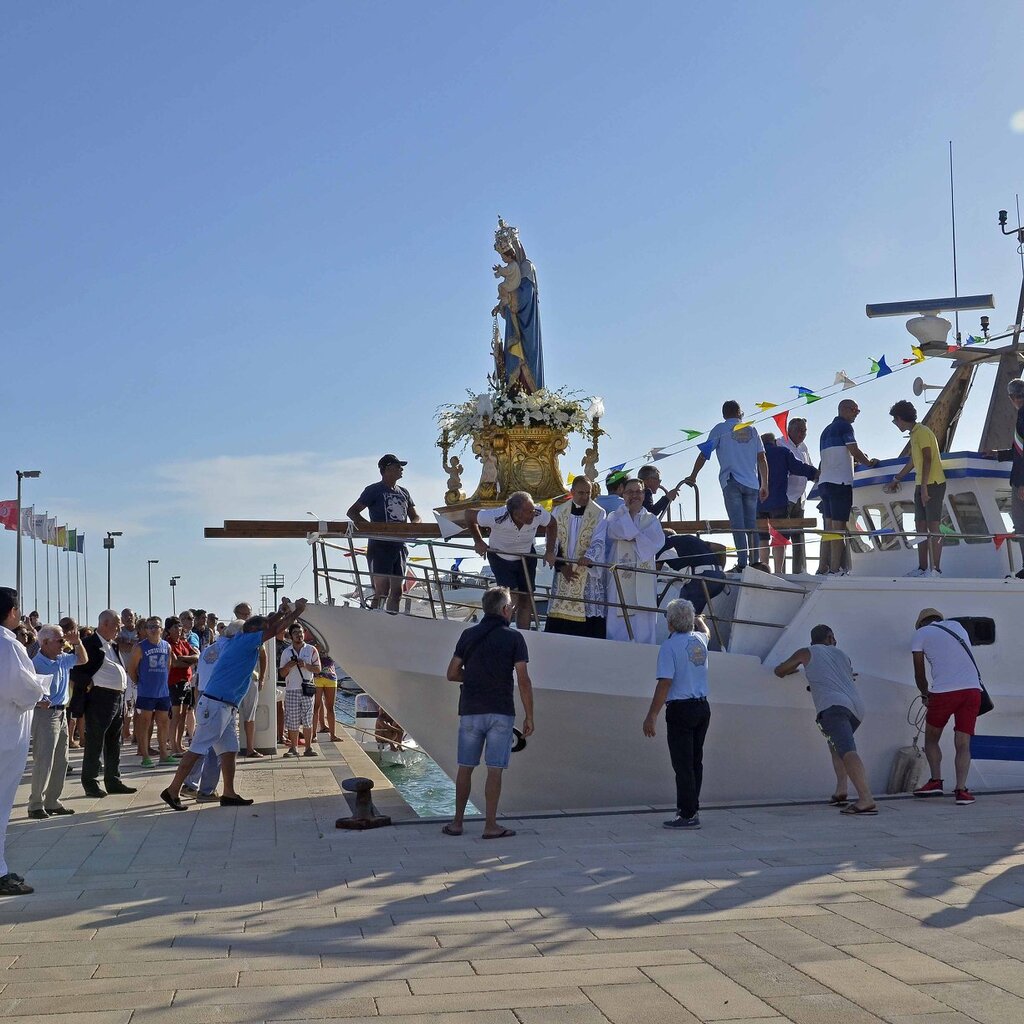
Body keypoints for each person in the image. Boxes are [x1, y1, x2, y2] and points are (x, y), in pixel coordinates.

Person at [160, 599, 309, 810]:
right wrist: (297, 612)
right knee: (197, 749)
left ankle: (228, 793)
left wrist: (280, 612)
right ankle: (173, 790)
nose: (264, 633)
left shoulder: (237, 639)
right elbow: (274, 628)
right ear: (252, 632)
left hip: (225, 706)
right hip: (216, 705)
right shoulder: (246, 640)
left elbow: (268, 624)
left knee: (229, 749)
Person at [443, 587, 534, 839]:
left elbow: (452, 673)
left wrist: (475, 677)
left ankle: (457, 823)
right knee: (495, 769)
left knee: (465, 767)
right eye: (511, 607)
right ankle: (490, 825)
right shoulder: (514, 638)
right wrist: (529, 715)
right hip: (501, 711)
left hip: (471, 709)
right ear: (505, 609)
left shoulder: (468, 634)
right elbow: (523, 680)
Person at [773, 624, 876, 814]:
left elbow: (780, 671)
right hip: (857, 709)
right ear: (829, 638)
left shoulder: (806, 652)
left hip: (833, 707)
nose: (835, 641)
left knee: (847, 750)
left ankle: (866, 799)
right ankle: (841, 790)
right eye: (833, 638)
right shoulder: (843, 656)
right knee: (836, 746)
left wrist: (793, 668)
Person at [641, 600, 711, 830]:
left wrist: (652, 715)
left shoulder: (669, 647)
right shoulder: (700, 640)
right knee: (695, 762)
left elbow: (665, 683)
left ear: (670, 623)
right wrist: (699, 621)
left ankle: (687, 813)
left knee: (682, 765)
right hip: (702, 707)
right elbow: (707, 632)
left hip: (681, 709)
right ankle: (692, 808)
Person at [684, 401, 769, 572]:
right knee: (751, 525)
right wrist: (765, 484)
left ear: (724, 414)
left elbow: (704, 454)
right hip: (752, 483)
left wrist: (693, 476)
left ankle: (743, 564)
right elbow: (762, 458)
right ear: (740, 412)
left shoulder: (720, 429)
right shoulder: (752, 430)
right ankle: (755, 562)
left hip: (732, 480)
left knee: (738, 525)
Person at [0, 588, 46, 895]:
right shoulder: (7, 644)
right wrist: (40, 691)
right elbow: (22, 689)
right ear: (12, 612)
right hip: (6, 733)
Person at [910, 607, 981, 805]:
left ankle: (935, 781)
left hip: (944, 693)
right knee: (963, 743)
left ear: (921, 624)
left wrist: (925, 694)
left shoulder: (920, 634)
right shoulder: (957, 627)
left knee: (932, 739)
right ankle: (961, 791)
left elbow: (919, 673)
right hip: (972, 691)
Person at [347, 454, 420, 614]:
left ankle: (392, 619)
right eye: (398, 466)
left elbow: (415, 516)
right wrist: (371, 528)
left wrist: (413, 525)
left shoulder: (404, 492)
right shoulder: (373, 490)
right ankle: (375, 618)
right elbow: (352, 512)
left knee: (397, 592)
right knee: (382, 590)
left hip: (399, 546)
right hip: (380, 546)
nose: (401, 469)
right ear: (387, 469)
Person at [468, 491, 551, 630]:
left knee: (526, 598)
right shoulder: (497, 515)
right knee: (511, 598)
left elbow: (552, 524)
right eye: (529, 512)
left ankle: (523, 633)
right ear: (517, 514)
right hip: (501, 557)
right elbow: (468, 515)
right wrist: (478, 541)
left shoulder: (538, 512)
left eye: (533, 510)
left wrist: (550, 550)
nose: (533, 514)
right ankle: (498, 629)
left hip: (526, 557)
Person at [28, 623, 86, 819]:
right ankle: (36, 804)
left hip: (61, 712)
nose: (64, 643)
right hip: (45, 714)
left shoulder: (62, 659)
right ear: (45, 642)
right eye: (60, 640)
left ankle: (52, 801)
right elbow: (25, 688)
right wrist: (37, 701)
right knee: (44, 760)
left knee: (62, 760)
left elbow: (82, 659)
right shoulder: (35, 664)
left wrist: (77, 643)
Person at [884, 400, 947, 577]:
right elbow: (914, 461)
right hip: (921, 483)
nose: (895, 424)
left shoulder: (923, 432)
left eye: (894, 420)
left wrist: (925, 488)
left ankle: (936, 570)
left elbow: (927, 459)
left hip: (933, 483)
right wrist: (897, 478)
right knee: (920, 525)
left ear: (899, 418)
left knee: (933, 526)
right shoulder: (914, 434)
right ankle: (922, 568)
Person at [78, 610, 137, 799]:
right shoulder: (89, 643)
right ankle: (90, 783)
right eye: (117, 624)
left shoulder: (112, 645)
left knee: (114, 741)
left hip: (116, 697)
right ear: (104, 623)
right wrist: (86, 682)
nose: (120, 628)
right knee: (95, 741)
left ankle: (113, 780)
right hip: (99, 698)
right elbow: (74, 668)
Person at [817, 399, 879, 575]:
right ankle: (835, 569)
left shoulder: (825, 430)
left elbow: (837, 454)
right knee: (838, 527)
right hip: (840, 483)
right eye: (854, 410)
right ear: (843, 409)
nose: (856, 414)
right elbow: (853, 449)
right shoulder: (845, 427)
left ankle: (822, 567)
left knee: (828, 527)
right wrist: (868, 462)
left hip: (825, 482)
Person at [542, 477, 608, 638]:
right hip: (563, 572)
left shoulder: (599, 513)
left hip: (586, 572)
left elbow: (599, 540)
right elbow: (552, 538)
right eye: (581, 493)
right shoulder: (559, 511)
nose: (585, 497)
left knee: (589, 616)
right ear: (572, 492)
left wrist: (589, 556)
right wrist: (562, 566)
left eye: (588, 493)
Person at [605, 479, 665, 643]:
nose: (634, 496)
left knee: (643, 619)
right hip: (619, 580)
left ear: (644, 495)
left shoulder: (651, 519)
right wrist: (640, 536)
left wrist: (632, 537)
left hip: (644, 579)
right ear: (623, 494)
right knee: (619, 614)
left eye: (638, 492)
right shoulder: (615, 516)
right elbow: (615, 531)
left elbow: (655, 544)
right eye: (630, 492)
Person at [757, 432, 817, 573]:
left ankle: (763, 570)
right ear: (774, 442)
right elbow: (798, 467)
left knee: (763, 538)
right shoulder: (782, 452)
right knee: (779, 537)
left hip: (759, 503)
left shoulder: (755, 455)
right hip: (778, 501)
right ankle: (778, 571)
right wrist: (815, 473)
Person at [983, 376, 1024, 578]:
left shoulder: (1023, 416)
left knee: (1021, 523)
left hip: (1021, 480)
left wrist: (1023, 483)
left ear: (1012, 397)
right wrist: (998, 454)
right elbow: (1018, 451)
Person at [126, 617, 173, 768]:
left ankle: (164, 754)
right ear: (145, 630)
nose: (153, 629)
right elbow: (131, 669)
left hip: (163, 692)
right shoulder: (140, 647)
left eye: (156, 626)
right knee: (144, 723)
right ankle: (145, 756)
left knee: (163, 723)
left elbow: (168, 666)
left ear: (161, 629)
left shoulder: (166, 646)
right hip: (146, 692)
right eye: (150, 627)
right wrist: (139, 682)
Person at [279, 622, 320, 758]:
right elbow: (282, 673)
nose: (299, 635)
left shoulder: (311, 650)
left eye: (301, 632)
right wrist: (289, 666)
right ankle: (294, 748)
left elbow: (318, 669)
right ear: (291, 636)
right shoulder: (286, 652)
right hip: (291, 689)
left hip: (307, 689)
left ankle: (308, 748)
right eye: (295, 632)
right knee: (292, 720)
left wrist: (306, 665)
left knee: (307, 719)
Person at [657, 533, 725, 615]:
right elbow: (721, 548)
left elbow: (653, 574)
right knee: (691, 615)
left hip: (700, 580)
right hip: (720, 578)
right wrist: (719, 571)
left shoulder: (662, 544)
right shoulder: (690, 539)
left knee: (678, 615)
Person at [232, 601, 268, 758]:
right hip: (233, 680)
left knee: (250, 715)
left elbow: (263, 656)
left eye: (249, 614)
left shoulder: (256, 635)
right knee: (230, 715)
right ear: (236, 614)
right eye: (244, 614)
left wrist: (262, 677)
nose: (247, 617)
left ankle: (250, 748)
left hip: (250, 679)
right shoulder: (231, 632)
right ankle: (229, 748)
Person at [779, 417, 814, 572]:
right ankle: (781, 570)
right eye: (799, 430)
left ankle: (799, 571)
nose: (802, 434)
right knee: (783, 535)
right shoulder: (780, 443)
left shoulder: (804, 447)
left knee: (798, 536)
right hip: (785, 496)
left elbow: (809, 468)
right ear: (789, 430)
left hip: (800, 497)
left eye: (805, 431)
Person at [165, 617, 197, 756]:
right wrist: (188, 661)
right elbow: (175, 663)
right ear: (168, 630)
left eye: (179, 627)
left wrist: (185, 659)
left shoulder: (184, 643)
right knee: (175, 715)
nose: (178, 630)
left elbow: (196, 656)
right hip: (175, 682)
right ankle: (173, 746)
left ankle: (179, 743)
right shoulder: (168, 644)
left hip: (187, 681)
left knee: (184, 714)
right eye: (174, 627)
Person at [314, 654, 340, 741]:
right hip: (317, 677)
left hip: (330, 676)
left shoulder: (332, 647)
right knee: (315, 707)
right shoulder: (311, 646)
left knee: (330, 707)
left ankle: (333, 735)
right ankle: (313, 735)